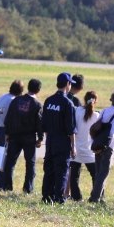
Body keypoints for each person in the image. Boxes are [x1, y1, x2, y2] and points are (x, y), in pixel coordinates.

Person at [40, 73, 78, 204]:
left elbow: (44, 125)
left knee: (49, 170)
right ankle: (59, 198)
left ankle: (46, 196)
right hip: (62, 142)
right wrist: (74, 146)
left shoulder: (48, 101)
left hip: (50, 139)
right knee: (62, 171)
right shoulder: (68, 103)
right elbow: (71, 128)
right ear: (67, 84)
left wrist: (48, 141)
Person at [2, 79, 43, 193]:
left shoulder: (16, 100)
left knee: (10, 162)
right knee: (30, 163)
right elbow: (40, 123)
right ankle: (28, 188)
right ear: (38, 90)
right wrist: (40, 138)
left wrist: (7, 133)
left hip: (14, 135)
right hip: (29, 137)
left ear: (28, 87)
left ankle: (7, 187)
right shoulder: (37, 104)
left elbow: (8, 118)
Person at [88, 89, 114, 203]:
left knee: (99, 172)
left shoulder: (105, 111)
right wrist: (105, 147)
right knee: (103, 173)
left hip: (98, 144)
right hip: (107, 147)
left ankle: (101, 197)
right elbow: (113, 133)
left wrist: (95, 145)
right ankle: (94, 197)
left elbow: (95, 128)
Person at [0, 80, 23, 191]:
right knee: (8, 159)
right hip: (9, 132)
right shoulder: (14, 100)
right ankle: (4, 185)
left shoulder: (1, 98)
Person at [70, 91, 100, 202]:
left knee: (74, 176)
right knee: (96, 175)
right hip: (90, 150)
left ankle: (76, 197)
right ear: (95, 101)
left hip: (76, 148)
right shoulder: (97, 115)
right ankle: (97, 195)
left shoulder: (77, 111)